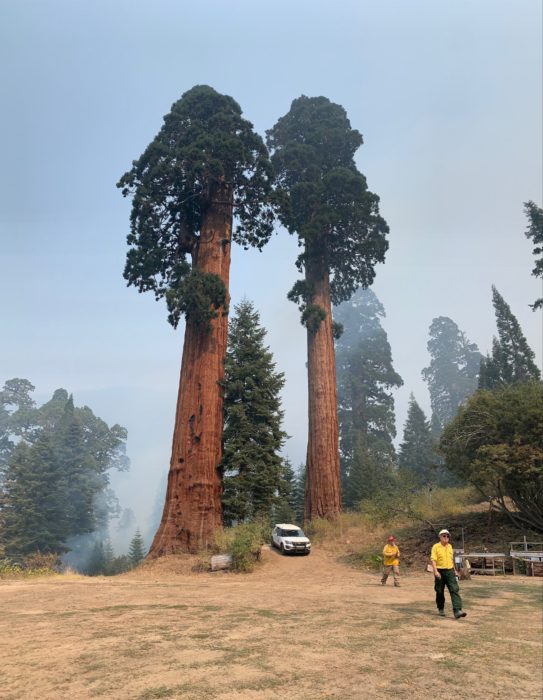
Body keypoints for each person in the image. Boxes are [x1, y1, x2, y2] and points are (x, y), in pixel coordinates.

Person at [431, 529, 467, 618]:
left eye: (447, 536)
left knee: (454, 589)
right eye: (444, 536)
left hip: (450, 571)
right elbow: (433, 560)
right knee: (439, 591)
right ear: (440, 537)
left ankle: (457, 610)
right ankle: (441, 608)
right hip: (440, 571)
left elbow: (451, 559)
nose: (446, 537)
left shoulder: (450, 546)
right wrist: (435, 571)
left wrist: (454, 570)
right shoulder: (436, 547)